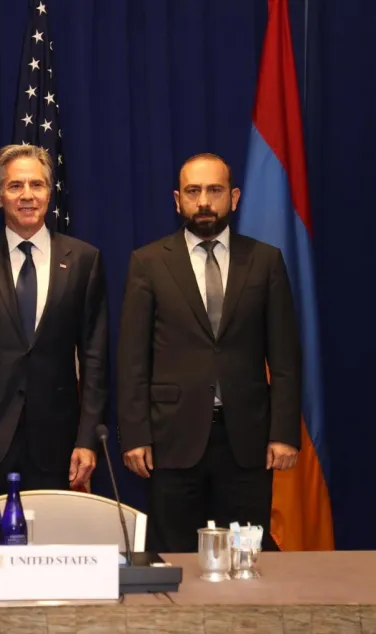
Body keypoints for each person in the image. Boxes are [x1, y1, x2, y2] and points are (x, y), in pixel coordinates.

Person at [116, 153, 301, 553]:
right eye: (193, 191)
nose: (203, 201)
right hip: (171, 439)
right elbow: (132, 360)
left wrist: (284, 433)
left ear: (233, 197)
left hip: (247, 441)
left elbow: (285, 358)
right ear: (177, 200)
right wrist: (134, 435)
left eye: (214, 190)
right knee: (175, 556)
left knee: (245, 558)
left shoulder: (265, 261)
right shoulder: (148, 262)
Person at [0, 144, 109, 513]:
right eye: (15, 186)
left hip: (56, 444)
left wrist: (87, 439)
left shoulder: (83, 260)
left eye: (37, 185)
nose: (27, 195)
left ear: (49, 193)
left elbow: (95, 360)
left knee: (49, 543)